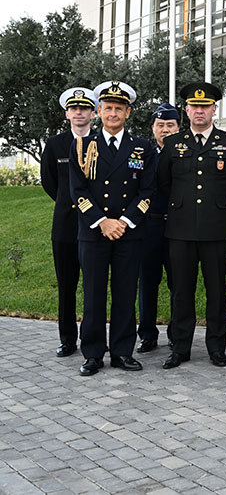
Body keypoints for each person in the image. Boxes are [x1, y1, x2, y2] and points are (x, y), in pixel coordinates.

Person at [158, 82, 226, 369]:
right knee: (182, 291)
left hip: (215, 229)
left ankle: (216, 348)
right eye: (194, 107)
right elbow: (163, 184)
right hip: (181, 230)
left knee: (216, 291)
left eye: (205, 107)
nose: (199, 111)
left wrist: (218, 207)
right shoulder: (173, 144)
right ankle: (180, 348)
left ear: (214, 110)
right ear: (187, 110)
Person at [69, 81, 154, 376]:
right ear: (99, 111)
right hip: (93, 233)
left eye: (119, 108)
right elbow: (77, 190)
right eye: (108, 108)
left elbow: (148, 192)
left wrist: (125, 222)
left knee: (125, 292)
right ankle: (92, 353)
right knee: (93, 294)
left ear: (128, 112)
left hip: (129, 233)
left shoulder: (142, 148)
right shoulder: (83, 145)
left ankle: (121, 351)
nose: (113, 113)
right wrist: (102, 222)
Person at [41, 87, 96, 358]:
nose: (79, 112)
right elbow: (50, 183)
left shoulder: (101, 141)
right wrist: (67, 202)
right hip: (65, 226)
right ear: (67, 113)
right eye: (74, 108)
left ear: (92, 113)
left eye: (84, 108)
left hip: (95, 226)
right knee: (67, 285)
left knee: (93, 286)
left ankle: (91, 337)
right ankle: (67, 339)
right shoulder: (55, 145)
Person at [136, 102, 180, 353]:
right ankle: (148, 335)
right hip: (149, 225)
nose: (165, 130)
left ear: (178, 128)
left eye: (170, 125)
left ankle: (177, 334)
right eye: (160, 125)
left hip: (176, 227)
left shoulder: (185, 154)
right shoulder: (141, 153)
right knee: (148, 283)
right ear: (153, 128)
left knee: (178, 284)